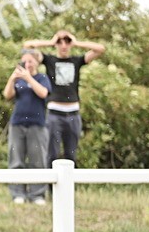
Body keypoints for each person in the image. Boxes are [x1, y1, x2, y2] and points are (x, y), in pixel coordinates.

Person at [23, 29, 106, 166]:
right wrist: (51, 41)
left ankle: (69, 186)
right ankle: (50, 187)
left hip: (73, 113)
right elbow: (27, 46)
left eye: (66, 42)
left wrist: (76, 43)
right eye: (60, 42)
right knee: (52, 154)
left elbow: (100, 49)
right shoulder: (49, 60)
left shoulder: (77, 60)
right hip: (54, 114)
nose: (63, 45)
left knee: (71, 154)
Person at [3, 49, 51, 204]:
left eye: (30, 61)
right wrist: (12, 79)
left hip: (37, 124)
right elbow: (7, 95)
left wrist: (28, 78)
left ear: (37, 62)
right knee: (16, 159)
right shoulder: (19, 80)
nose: (27, 64)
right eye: (24, 61)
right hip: (17, 123)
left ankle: (37, 194)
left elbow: (43, 93)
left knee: (38, 161)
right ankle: (18, 193)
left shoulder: (42, 78)